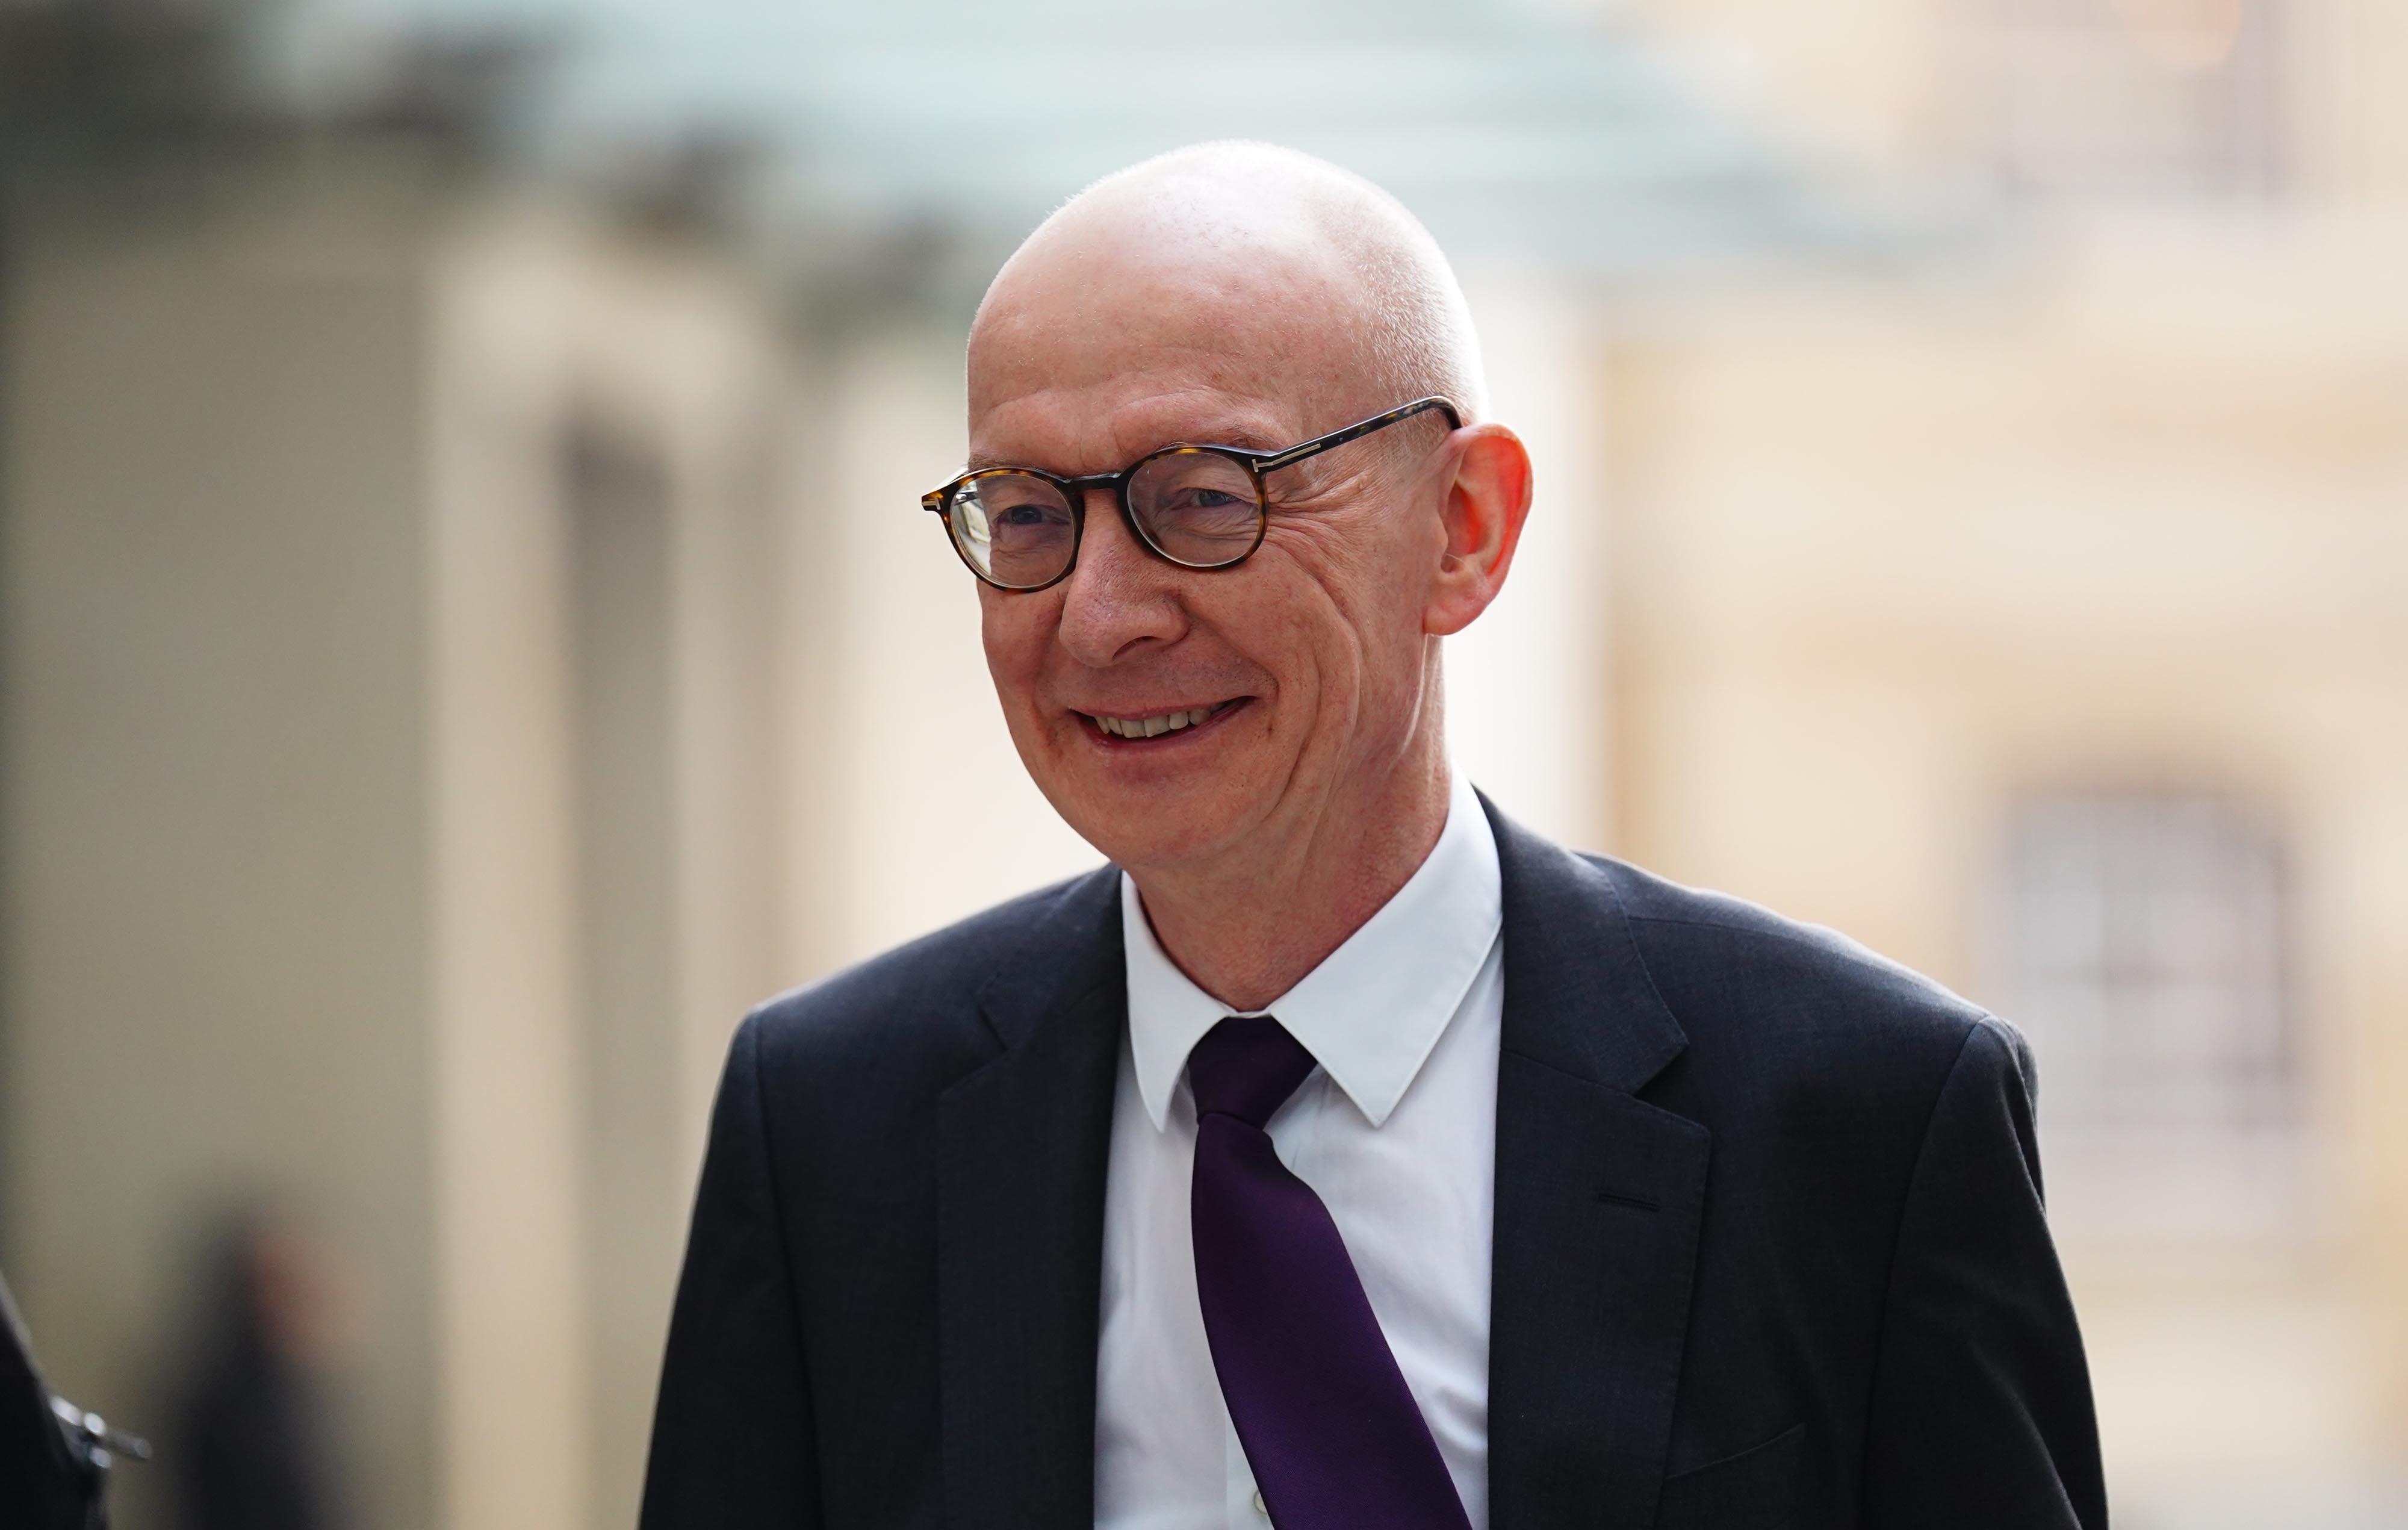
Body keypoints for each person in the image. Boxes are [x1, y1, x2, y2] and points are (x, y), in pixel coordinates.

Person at [640, 141, 2105, 1530]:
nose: (1098, 614)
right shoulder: (830, 1124)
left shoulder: (1860, 1114)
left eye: (1202, 500)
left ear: (1462, 527)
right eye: (1025, 518)